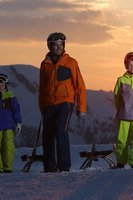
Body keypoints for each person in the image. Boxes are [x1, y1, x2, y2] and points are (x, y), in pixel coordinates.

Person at [39, 32, 87, 172]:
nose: (58, 47)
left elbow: (80, 86)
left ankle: (64, 166)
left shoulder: (71, 62)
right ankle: (49, 167)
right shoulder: (45, 64)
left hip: (65, 102)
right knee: (47, 134)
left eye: (60, 44)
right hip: (48, 104)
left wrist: (81, 107)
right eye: (55, 45)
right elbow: (42, 87)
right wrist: (42, 106)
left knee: (61, 131)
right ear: (49, 46)